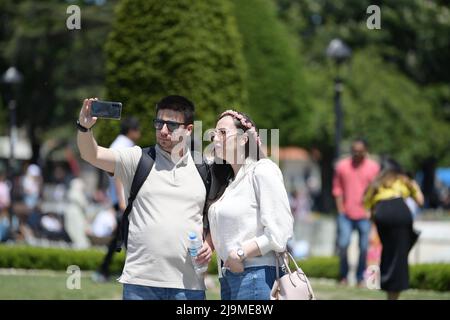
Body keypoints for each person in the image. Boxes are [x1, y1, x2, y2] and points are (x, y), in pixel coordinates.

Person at [77, 96, 213, 300]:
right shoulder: (137, 159)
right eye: (159, 123)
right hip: (140, 284)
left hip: (189, 286)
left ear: (189, 129)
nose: (163, 131)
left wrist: (209, 245)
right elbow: (92, 155)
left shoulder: (205, 169)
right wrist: (84, 128)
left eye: (172, 125)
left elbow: (219, 214)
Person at [207, 110, 294, 300]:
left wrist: (240, 253)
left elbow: (280, 232)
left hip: (256, 276)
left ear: (243, 139)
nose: (215, 139)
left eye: (222, 133)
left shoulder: (262, 170)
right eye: (214, 134)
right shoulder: (228, 182)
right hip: (229, 278)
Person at [363, 158, 424, 300]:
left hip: (382, 212)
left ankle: (386, 283)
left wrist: (374, 224)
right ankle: (393, 291)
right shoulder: (402, 179)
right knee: (400, 255)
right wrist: (414, 185)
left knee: (389, 251)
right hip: (400, 210)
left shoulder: (376, 182)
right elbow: (420, 201)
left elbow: (368, 208)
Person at [92, 117, 141, 282]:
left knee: (120, 237)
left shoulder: (118, 144)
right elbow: (118, 175)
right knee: (127, 236)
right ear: (132, 131)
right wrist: (122, 202)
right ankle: (113, 271)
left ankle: (105, 270)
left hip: (119, 199)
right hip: (123, 200)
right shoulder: (124, 146)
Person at [332, 138, 380, 287]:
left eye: (360, 151)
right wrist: (340, 209)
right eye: (354, 151)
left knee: (364, 247)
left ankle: (360, 277)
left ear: (366, 151)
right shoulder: (342, 166)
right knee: (343, 244)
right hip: (346, 214)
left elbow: (376, 192)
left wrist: (372, 211)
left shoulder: (374, 167)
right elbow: (337, 189)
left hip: (364, 215)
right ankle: (344, 275)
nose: (357, 154)